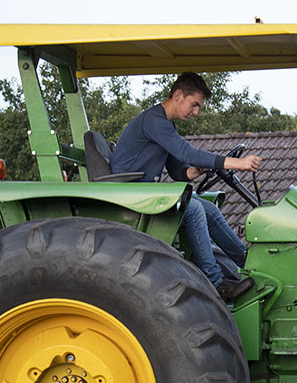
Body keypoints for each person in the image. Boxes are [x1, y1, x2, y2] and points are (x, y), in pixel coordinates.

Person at [110, 72, 261, 302]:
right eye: (195, 104)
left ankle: (249, 262)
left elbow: (177, 170)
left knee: (209, 209)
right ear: (179, 95)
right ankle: (216, 281)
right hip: (130, 192)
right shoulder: (153, 121)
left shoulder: (164, 126)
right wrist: (237, 163)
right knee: (193, 209)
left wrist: (194, 171)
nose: (196, 112)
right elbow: (187, 152)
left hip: (145, 191)